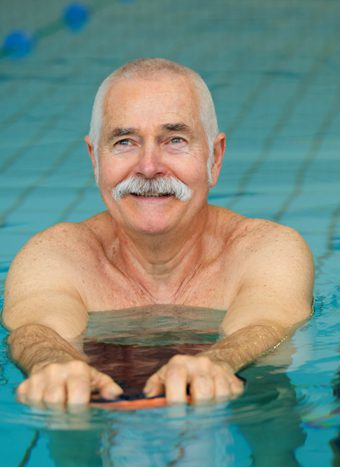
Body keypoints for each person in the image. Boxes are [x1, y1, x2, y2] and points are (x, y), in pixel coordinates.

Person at [1, 58, 314, 407]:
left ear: (215, 157)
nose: (149, 167)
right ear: (95, 160)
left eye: (175, 140)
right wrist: (54, 364)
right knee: (68, 417)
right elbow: (37, 329)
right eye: (124, 142)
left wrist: (217, 362)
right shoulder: (54, 255)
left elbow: (265, 324)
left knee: (271, 407)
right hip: (93, 413)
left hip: (243, 399)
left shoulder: (265, 249)